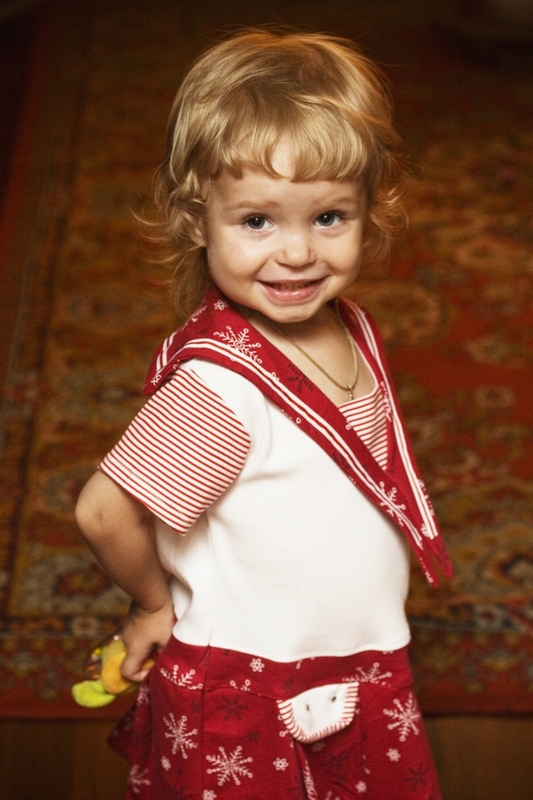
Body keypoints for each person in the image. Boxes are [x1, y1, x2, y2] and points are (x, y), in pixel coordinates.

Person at [75, 29, 452, 800]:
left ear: (369, 210)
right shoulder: (223, 388)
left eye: (328, 217)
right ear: (196, 219)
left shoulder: (348, 323)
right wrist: (151, 604)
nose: (298, 253)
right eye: (257, 221)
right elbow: (105, 511)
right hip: (249, 682)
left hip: (353, 658)